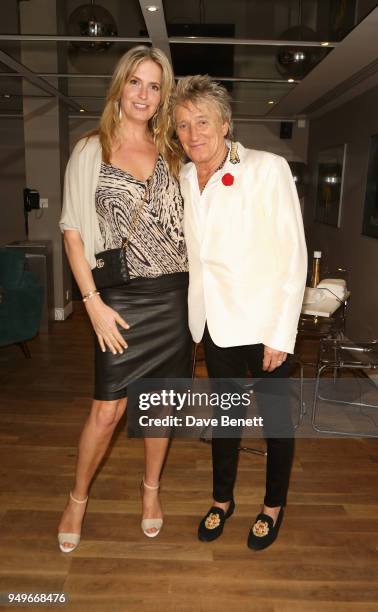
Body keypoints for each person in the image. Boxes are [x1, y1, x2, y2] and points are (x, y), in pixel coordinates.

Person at [57, 46, 191, 552]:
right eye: (136, 82)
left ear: (163, 96)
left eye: (154, 86)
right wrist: (91, 304)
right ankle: (77, 497)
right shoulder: (91, 148)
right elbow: (72, 231)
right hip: (117, 300)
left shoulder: (173, 151)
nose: (144, 94)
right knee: (107, 411)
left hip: (173, 297)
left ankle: (151, 491)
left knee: (160, 407)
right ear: (120, 85)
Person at [172, 75, 307, 550]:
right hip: (212, 322)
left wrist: (281, 333)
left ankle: (272, 505)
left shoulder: (268, 168)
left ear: (225, 123)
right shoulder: (186, 177)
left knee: (275, 422)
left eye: (202, 121)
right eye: (184, 125)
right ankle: (222, 499)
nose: (193, 134)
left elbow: (293, 253)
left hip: (263, 322)